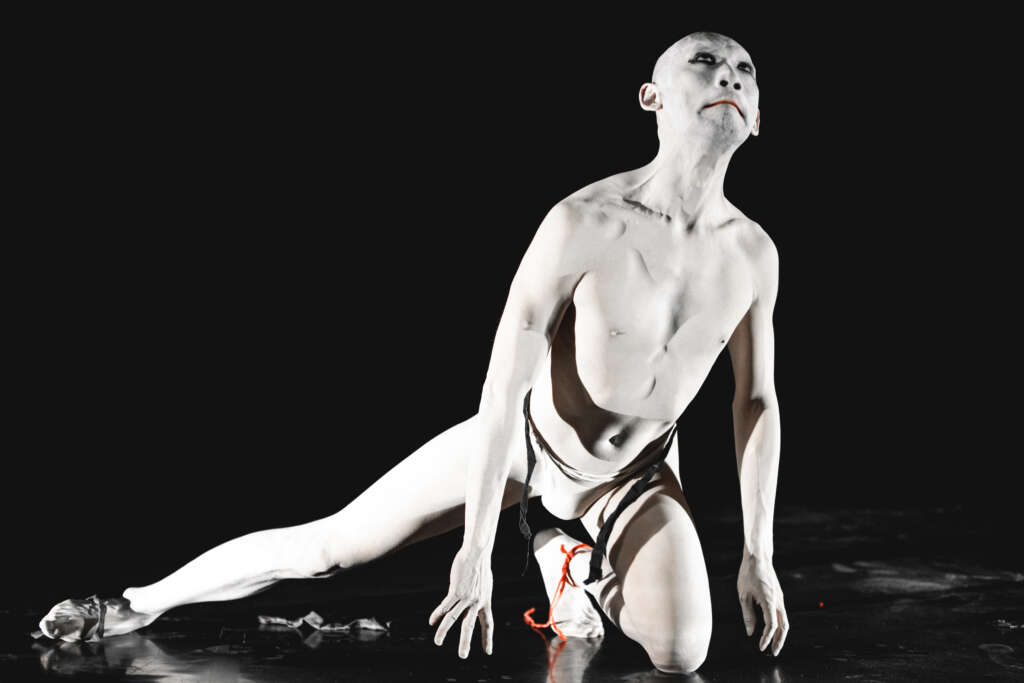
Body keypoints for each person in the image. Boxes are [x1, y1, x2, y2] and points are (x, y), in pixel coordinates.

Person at [38, 30, 788, 675]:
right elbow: (503, 387)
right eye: (704, 61)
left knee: (682, 653)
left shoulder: (753, 255)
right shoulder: (583, 222)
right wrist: (476, 548)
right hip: (529, 443)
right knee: (329, 549)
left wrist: (758, 554)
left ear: (756, 118)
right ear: (651, 98)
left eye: (744, 71)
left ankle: (570, 561)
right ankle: (137, 602)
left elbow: (755, 399)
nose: (727, 76)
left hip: (636, 471)